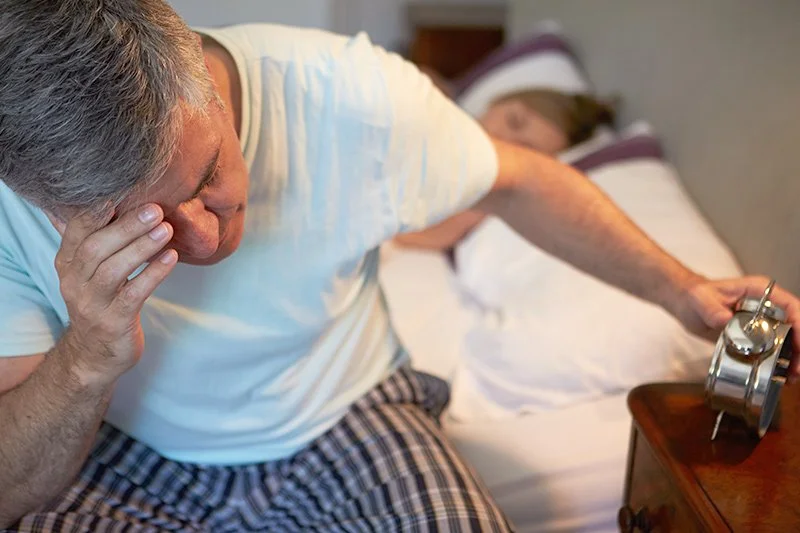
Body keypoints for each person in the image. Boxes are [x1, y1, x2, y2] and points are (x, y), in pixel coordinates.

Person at [0, 2, 798, 531]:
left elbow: (521, 181)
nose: (202, 239)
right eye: (133, 224)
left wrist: (681, 288)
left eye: (209, 174)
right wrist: (83, 362)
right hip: (124, 449)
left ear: (204, 75)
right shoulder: (10, 205)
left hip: (346, 411)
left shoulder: (348, 95)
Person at [396, 87, 617, 249]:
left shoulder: (477, 200)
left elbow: (413, 232)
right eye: (514, 121)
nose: (502, 139)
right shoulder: (424, 105)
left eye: (522, 149)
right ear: (500, 99)